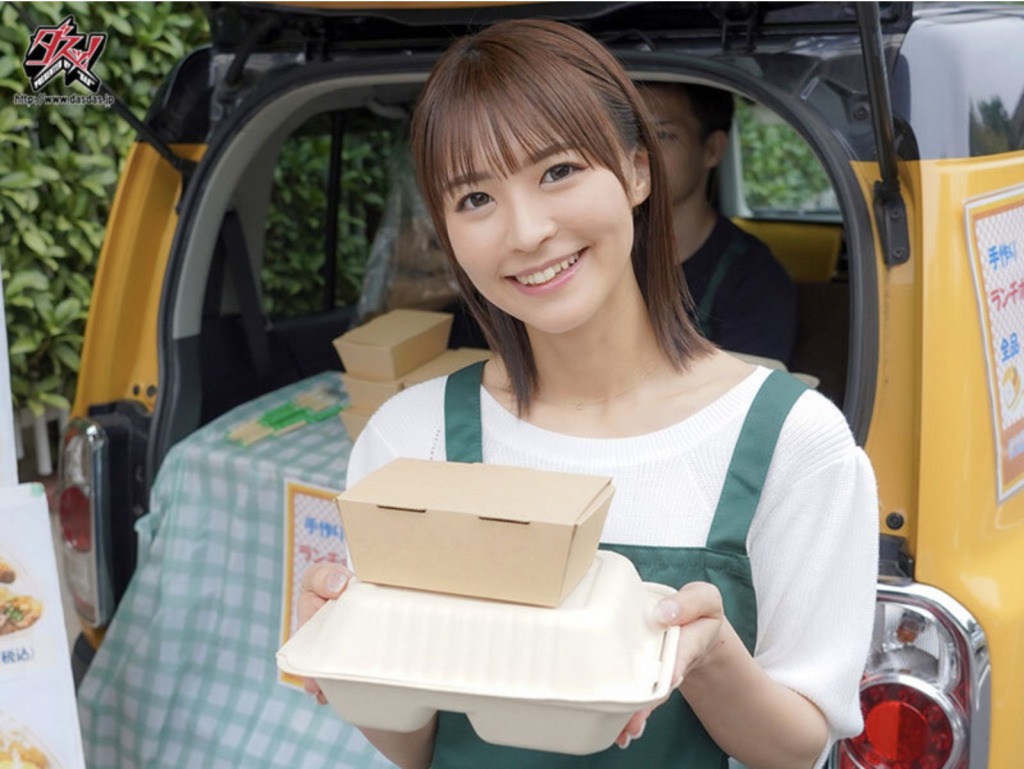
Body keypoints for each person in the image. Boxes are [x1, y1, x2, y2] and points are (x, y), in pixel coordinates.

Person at [300, 18, 877, 769]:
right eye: (475, 198)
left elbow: (798, 748)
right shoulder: (409, 438)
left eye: (559, 171)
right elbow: (416, 750)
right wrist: (351, 668)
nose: (526, 231)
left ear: (637, 172)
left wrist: (710, 657)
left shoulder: (793, 441)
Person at [640, 82, 798, 365]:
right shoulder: (596, 252)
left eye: (662, 135)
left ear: (712, 149)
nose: (637, 153)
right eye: (629, 133)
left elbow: (748, 390)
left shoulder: (754, 279)